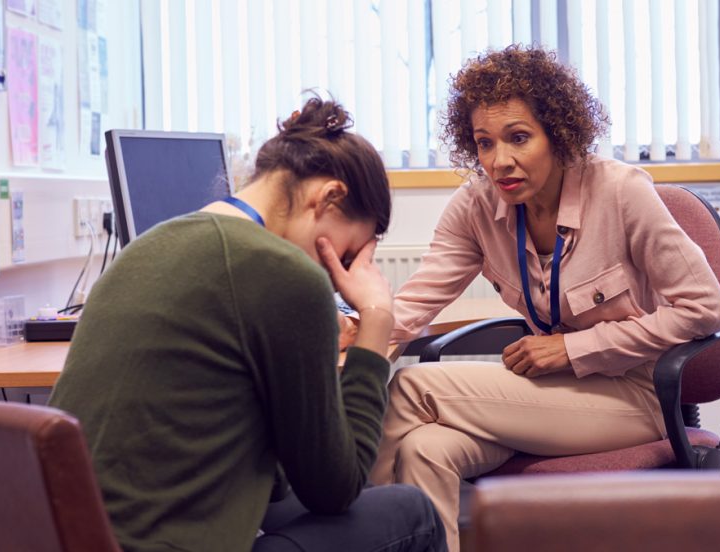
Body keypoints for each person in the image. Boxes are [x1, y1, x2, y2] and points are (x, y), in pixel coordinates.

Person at [369, 45, 720, 551]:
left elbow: (705, 308)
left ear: (559, 135)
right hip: (549, 397)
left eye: (519, 138)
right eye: (484, 143)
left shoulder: (622, 193)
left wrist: (572, 348)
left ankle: (352, 531)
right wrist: (358, 339)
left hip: (634, 395)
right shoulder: (475, 207)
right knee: (425, 449)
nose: (500, 161)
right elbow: (416, 303)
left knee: (409, 388)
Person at [49, 96, 445, 552]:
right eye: (349, 254)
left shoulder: (147, 246)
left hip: (75, 537)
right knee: (412, 512)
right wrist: (375, 321)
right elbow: (336, 490)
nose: (341, 276)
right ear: (329, 196)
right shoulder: (283, 275)